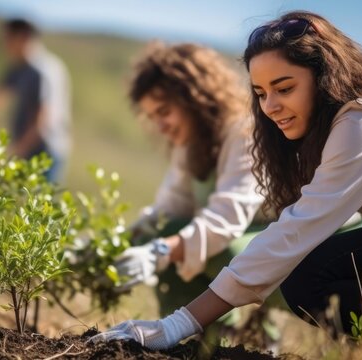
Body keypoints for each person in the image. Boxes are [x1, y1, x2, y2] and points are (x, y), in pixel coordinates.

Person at [95, 11, 362, 350]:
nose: (270, 106)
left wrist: (178, 324)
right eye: (260, 93)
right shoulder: (318, 130)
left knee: (310, 275)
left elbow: (300, 226)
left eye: (284, 88)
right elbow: (170, 208)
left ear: (323, 76)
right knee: (307, 277)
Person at [111, 41, 271, 323]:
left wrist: (158, 252)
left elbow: (225, 220)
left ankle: (229, 334)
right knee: (163, 231)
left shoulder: (245, 131)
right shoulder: (192, 141)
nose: (160, 126)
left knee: (225, 251)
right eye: (152, 117)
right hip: (244, 234)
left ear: (194, 97)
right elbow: (170, 208)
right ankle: (199, 338)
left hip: (279, 241)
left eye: (164, 111)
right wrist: (116, 242)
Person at [0, 19, 56, 181]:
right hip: (26, 150)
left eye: (7, 38)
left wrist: (16, 153)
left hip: (41, 154)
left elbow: (41, 122)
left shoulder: (41, 71)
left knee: (38, 205)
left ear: (22, 37)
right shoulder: (19, 68)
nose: (3, 44)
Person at [27, 38, 72, 183]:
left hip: (42, 148)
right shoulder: (52, 65)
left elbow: (43, 115)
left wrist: (18, 150)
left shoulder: (40, 69)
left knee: (38, 202)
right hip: (55, 146)